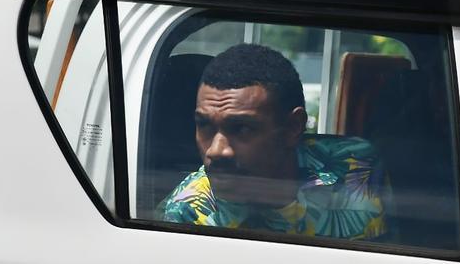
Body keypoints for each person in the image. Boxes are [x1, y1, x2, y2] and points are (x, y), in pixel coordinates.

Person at [157, 43, 391, 240]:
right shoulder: (187, 213)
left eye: (242, 128)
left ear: (292, 128)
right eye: (205, 125)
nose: (216, 151)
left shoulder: (354, 164)